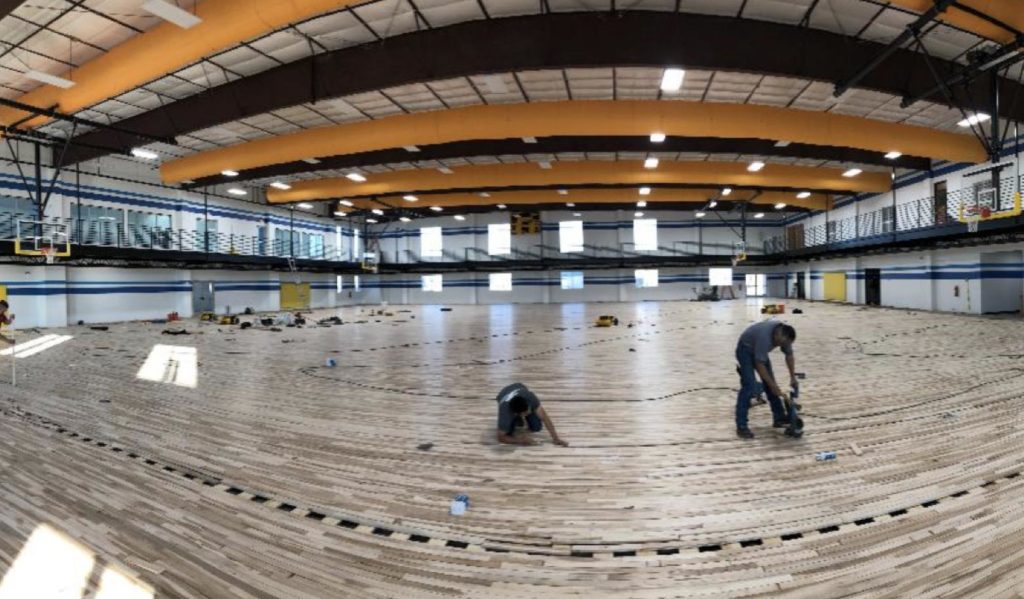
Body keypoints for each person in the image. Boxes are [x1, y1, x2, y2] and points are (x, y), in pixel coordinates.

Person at [735, 320, 797, 439]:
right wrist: (774, 386)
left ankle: (779, 417)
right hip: (745, 349)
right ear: (777, 335)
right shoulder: (765, 338)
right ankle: (741, 426)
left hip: (758, 350)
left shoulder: (785, 337)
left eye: (782, 344)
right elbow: (760, 364)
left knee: (770, 385)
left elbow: (789, 355)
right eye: (778, 343)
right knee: (749, 387)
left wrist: (793, 377)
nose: (779, 345)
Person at [495, 383, 568, 446]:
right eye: (525, 414)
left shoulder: (530, 397)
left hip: (518, 386)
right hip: (503, 394)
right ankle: (517, 420)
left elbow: (545, 418)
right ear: (516, 413)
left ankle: (519, 420)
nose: (528, 413)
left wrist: (556, 438)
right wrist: (521, 441)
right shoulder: (505, 414)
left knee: (536, 427)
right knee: (509, 433)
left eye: (528, 410)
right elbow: (500, 437)